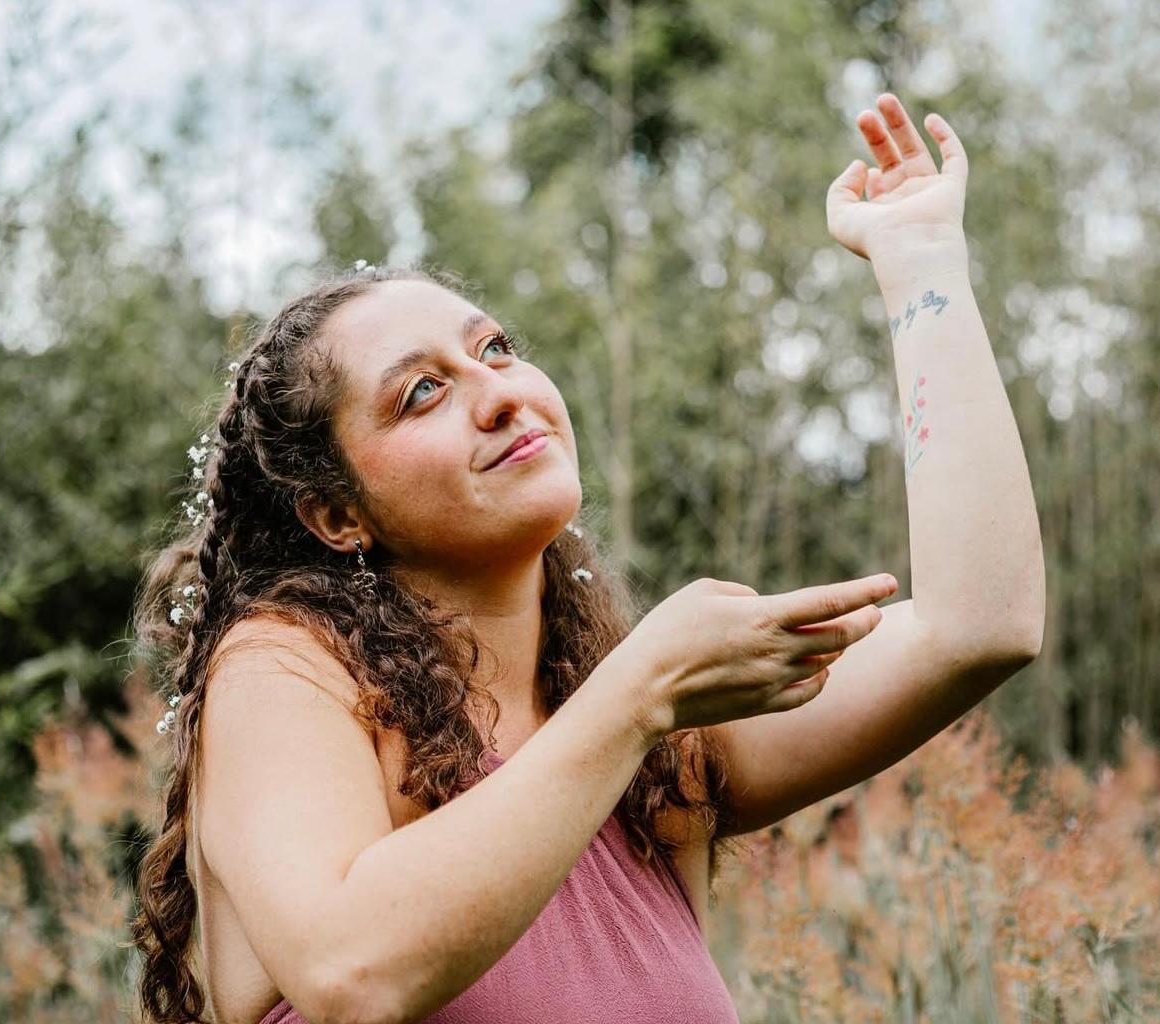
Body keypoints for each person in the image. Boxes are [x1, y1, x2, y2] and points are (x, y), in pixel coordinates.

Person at [130, 92, 1044, 1024]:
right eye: (421, 392)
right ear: (335, 514)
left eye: (496, 349)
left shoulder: (650, 753)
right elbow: (354, 975)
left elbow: (978, 625)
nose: (498, 394)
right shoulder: (281, 670)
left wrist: (921, 262)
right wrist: (638, 693)